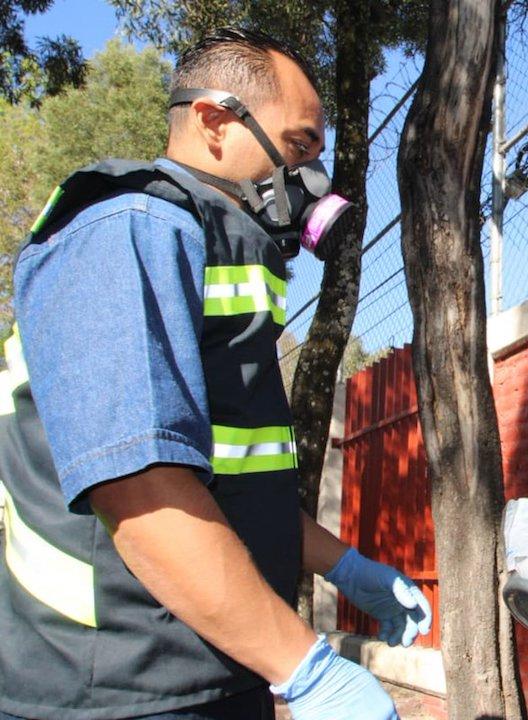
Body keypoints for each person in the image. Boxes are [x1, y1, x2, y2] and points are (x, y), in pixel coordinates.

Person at [0, 28, 429, 720]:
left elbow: (224, 485)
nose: (312, 181)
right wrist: (306, 668)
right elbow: (138, 485)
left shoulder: (205, 241)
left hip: (214, 667)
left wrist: (345, 567)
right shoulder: (128, 225)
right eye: (297, 146)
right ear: (214, 122)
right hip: (117, 687)